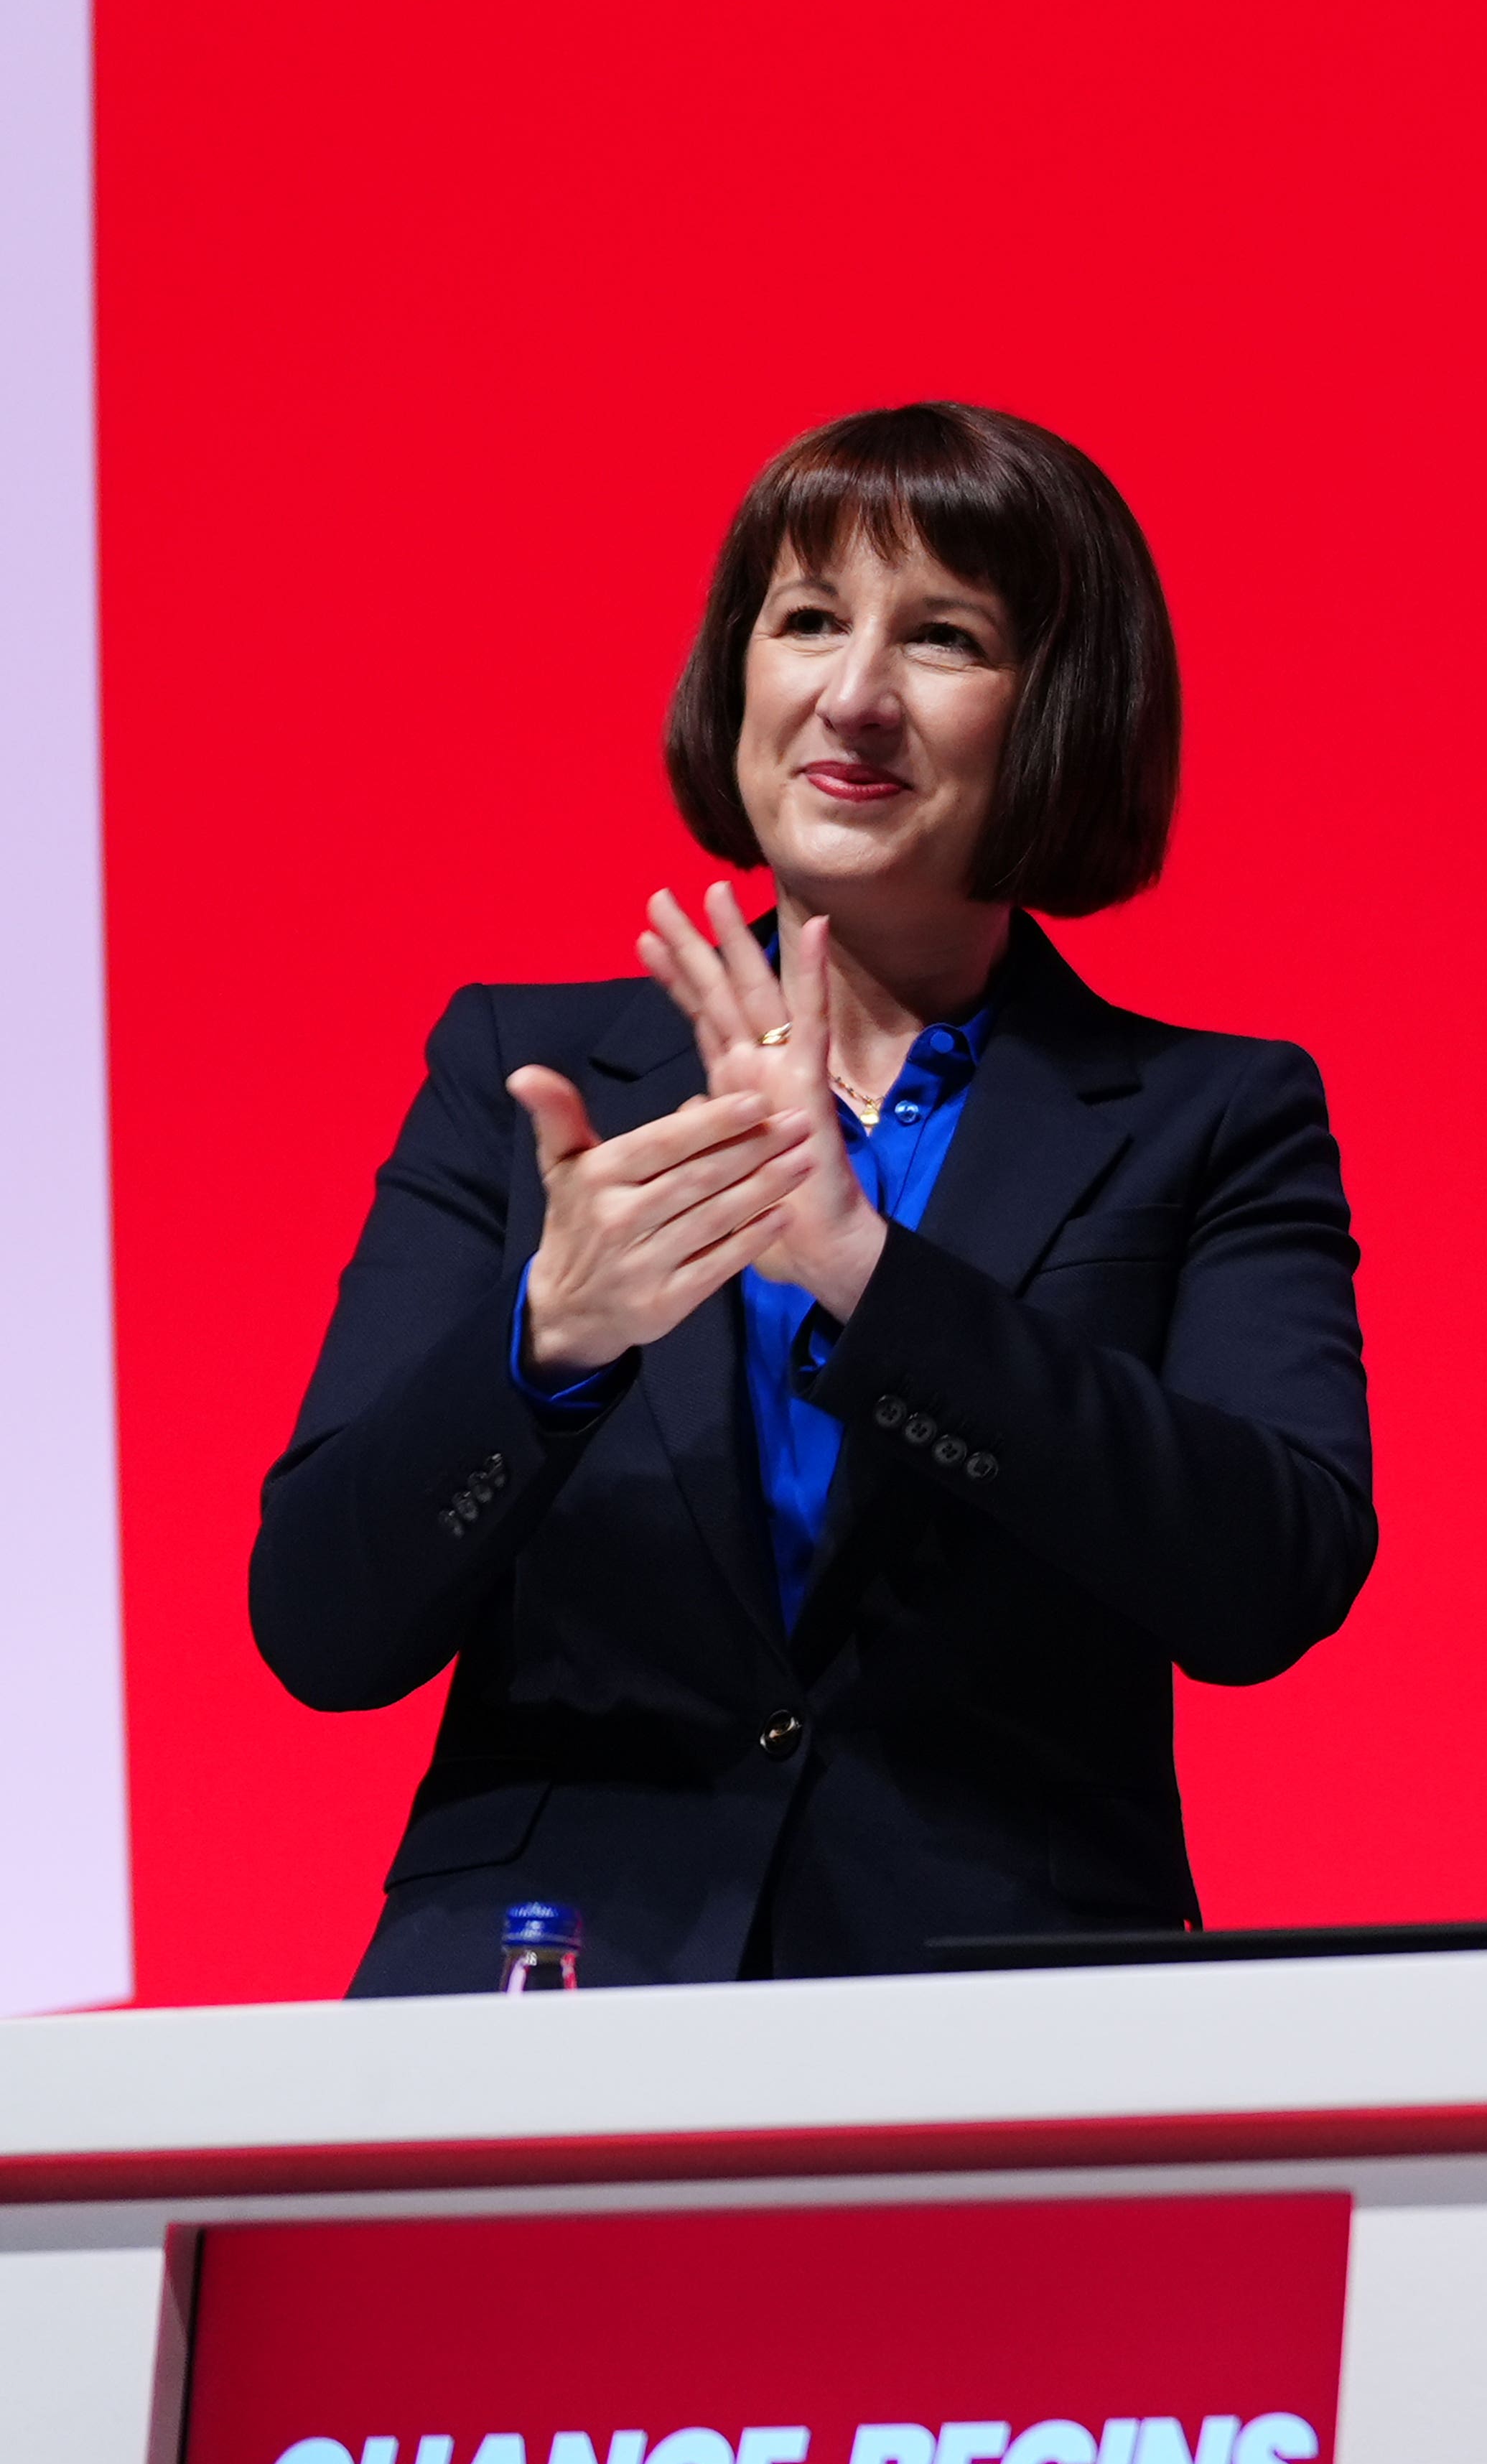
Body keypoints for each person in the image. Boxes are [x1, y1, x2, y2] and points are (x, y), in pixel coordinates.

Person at [255, 403, 1377, 1989]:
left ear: (1063, 710)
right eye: (806, 621)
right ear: (738, 672)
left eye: (943, 638)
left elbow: (1268, 1578)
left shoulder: (1214, 1115)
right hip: (547, 1998)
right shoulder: (522, 1076)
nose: (854, 697)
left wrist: (867, 1270)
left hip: (1006, 2020)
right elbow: (320, 1622)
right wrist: (548, 1347)